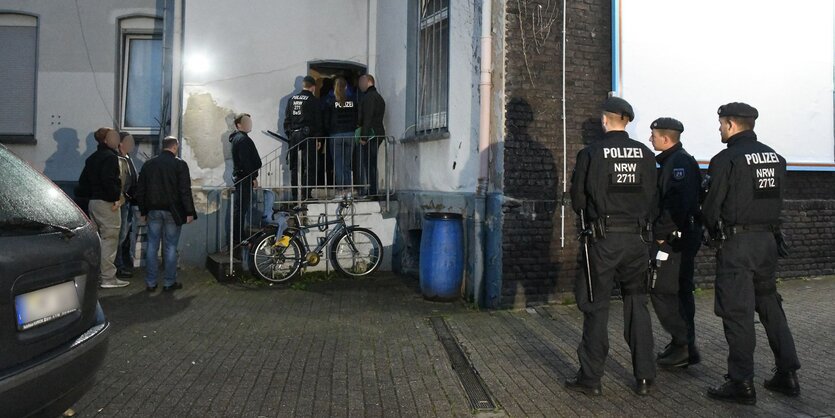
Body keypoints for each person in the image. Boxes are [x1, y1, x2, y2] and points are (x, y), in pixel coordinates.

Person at [702, 102, 800, 405]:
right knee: (770, 306)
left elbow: (711, 207)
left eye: (720, 123)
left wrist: (709, 227)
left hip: (738, 245)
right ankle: (787, 374)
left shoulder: (725, 159)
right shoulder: (776, 158)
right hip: (768, 242)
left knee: (737, 312)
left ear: (731, 124)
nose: (719, 128)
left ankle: (741, 382)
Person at [567, 96, 658, 396]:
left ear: (605, 120)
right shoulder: (646, 154)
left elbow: (578, 200)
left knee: (596, 307)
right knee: (637, 306)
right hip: (636, 242)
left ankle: (591, 379)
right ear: (628, 121)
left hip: (603, 241)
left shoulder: (591, 153)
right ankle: (644, 377)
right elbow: (653, 200)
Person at [647, 117, 702, 369]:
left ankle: (683, 344)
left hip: (673, 241)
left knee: (662, 290)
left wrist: (660, 234)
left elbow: (678, 204)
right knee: (680, 291)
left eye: (654, 136)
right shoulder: (673, 161)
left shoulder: (678, 163)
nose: (650, 139)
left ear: (666, 139)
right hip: (679, 239)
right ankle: (684, 345)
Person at [135, 136, 197, 292]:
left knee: (152, 246)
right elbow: (184, 190)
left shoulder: (149, 164)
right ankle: (169, 282)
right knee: (170, 247)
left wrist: (143, 210)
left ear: (163, 146)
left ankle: (150, 283)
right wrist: (189, 211)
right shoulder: (180, 164)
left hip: (153, 210)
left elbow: (141, 189)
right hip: (173, 211)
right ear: (175, 147)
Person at [77, 127, 129, 288]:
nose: (117, 140)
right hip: (108, 203)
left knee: (98, 240)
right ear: (105, 140)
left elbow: (83, 182)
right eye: (113, 137)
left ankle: (96, 276)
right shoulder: (110, 158)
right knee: (110, 240)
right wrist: (116, 198)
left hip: (94, 202)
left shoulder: (92, 158)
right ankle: (108, 278)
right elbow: (110, 181)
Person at [284, 75, 323, 200]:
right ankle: (306, 194)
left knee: (294, 166)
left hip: (294, 136)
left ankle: (295, 195)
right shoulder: (313, 100)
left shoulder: (291, 99)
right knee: (309, 165)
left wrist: (290, 134)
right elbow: (318, 121)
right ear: (313, 87)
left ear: (303, 85)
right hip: (308, 136)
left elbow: (287, 120)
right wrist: (318, 138)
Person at [229, 113, 262, 247]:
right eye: (246, 121)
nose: (250, 124)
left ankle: (239, 237)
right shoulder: (242, 139)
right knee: (241, 209)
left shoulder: (239, 138)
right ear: (239, 125)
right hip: (244, 178)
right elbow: (246, 161)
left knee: (240, 209)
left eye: (250, 121)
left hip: (242, 177)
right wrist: (253, 177)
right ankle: (239, 238)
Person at [325, 77, 358, 196]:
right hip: (350, 134)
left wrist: (328, 131)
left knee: (337, 162)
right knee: (347, 163)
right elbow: (356, 117)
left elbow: (326, 120)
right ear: (346, 87)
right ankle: (348, 187)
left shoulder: (330, 101)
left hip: (335, 135)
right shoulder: (353, 100)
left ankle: (340, 189)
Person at [356, 74, 385, 196]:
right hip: (377, 132)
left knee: (369, 163)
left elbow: (367, 118)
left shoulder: (369, 97)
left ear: (368, 81)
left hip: (371, 134)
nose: (359, 85)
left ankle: (372, 191)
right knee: (371, 163)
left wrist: (363, 136)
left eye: (361, 82)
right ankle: (372, 190)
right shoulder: (378, 97)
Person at [115, 132, 139, 278]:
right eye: (129, 141)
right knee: (120, 235)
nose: (132, 144)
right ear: (120, 143)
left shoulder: (128, 158)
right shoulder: (118, 159)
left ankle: (121, 263)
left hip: (128, 202)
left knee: (124, 235)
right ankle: (117, 266)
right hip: (122, 202)